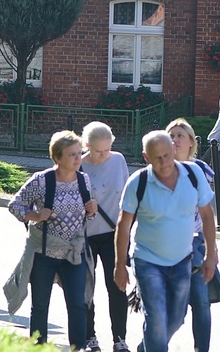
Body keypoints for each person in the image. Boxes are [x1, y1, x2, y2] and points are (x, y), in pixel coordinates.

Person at [114, 131, 217, 352]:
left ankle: (145, 348)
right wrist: (119, 265)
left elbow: (208, 216)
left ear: (173, 149)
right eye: (157, 158)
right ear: (146, 157)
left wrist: (211, 254)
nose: (164, 162)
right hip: (147, 261)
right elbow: (123, 226)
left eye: (167, 155)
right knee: (156, 319)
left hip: (182, 261)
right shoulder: (138, 182)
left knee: (177, 318)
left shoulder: (193, 174)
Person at [6, 131, 98, 350]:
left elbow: (86, 213)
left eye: (79, 153)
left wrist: (92, 210)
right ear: (57, 158)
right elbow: (15, 205)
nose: (78, 159)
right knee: (40, 305)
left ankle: (78, 347)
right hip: (44, 252)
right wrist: (35, 216)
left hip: (73, 253)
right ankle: (39, 347)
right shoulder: (42, 181)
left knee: (78, 303)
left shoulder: (83, 180)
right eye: (71, 155)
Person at [166, 118, 216, 352]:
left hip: (195, 244)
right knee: (173, 310)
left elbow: (207, 214)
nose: (175, 140)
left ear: (190, 143)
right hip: (164, 246)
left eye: (180, 136)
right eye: (172, 136)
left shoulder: (201, 171)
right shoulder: (156, 170)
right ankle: (149, 345)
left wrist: (211, 251)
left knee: (201, 302)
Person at [81, 122, 130, 352]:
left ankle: (119, 339)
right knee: (87, 288)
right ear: (87, 145)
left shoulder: (118, 160)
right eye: (98, 151)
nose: (103, 155)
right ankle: (89, 337)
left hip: (114, 234)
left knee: (117, 287)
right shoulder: (78, 164)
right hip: (86, 236)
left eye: (107, 149)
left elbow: (128, 197)